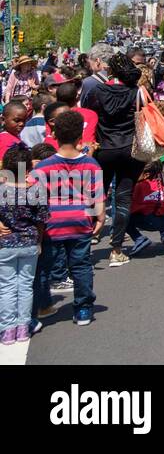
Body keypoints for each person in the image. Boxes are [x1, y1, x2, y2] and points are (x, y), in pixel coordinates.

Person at [32, 111, 104, 327]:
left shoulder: (42, 167)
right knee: (81, 265)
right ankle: (83, 309)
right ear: (79, 137)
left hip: (51, 223)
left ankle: (43, 305)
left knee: (44, 267)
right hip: (81, 221)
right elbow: (97, 195)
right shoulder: (91, 165)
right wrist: (99, 218)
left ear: (54, 134)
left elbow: (36, 200)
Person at [80, 53, 146, 268]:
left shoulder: (96, 91)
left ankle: (84, 246)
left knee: (96, 196)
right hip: (129, 149)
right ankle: (116, 250)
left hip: (104, 150)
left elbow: (88, 118)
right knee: (124, 199)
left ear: (111, 71)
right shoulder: (136, 92)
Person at [0, 143, 48, 344]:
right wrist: (39, 240)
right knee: (26, 285)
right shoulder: (36, 190)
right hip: (29, 242)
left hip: (5, 244)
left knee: (7, 287)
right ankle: (23, 327)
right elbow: (42, 219)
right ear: (28, 168)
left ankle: (7, 329)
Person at [126, 159, 164, 257]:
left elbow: (133, 207)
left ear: (146, 175)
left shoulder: (140, 186)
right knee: (161, 209)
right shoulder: (160, 184)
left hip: (151, 222)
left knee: (124, 217)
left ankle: (139, 239)